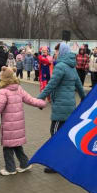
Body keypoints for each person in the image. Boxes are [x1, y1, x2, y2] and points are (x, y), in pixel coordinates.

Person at [37, 43, 85, 173]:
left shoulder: (60, 67)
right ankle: (69, 161)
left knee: (56, 134)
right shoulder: (72, 67)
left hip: (61, 109)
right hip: (70, 108)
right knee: (64, 135)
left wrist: (39, 97)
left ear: (62, 52)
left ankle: (57, 165)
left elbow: (51, 84)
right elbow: (80, 86)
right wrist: (84, 99)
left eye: (57, 51)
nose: (55, 53)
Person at [0, 66, 46, 175]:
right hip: (18, 124)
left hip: (9, 125)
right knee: (16, 145)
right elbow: (30, 99)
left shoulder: (3, 91)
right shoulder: (18, 88)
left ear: (3, 78)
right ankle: (25, 164)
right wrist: (41, 103)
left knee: (8, 147)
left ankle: (10, 169)